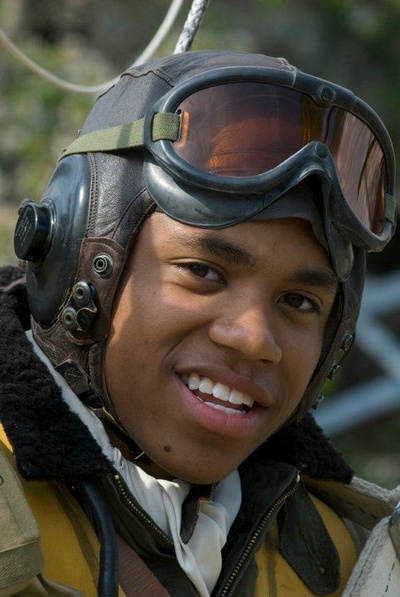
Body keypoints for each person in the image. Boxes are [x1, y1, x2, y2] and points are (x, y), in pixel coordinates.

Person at [0, 49, 399, 597]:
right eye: (203, 272)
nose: (255, 339)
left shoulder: (356, 563)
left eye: (299, 301)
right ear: (73, 258)